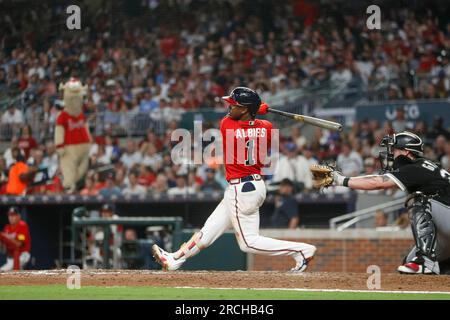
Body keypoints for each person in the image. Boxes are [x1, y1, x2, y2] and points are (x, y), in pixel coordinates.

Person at [152, 87, 316, 272]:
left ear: (245, 109)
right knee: (208, 231)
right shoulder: (267, 128)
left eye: (234, 105)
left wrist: (256, 109)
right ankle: (175, 259)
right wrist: (256, 111)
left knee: (248, 243)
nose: (229, 107)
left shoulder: (227, 125)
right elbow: (257, 124)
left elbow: (237, 120)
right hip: (253, 186)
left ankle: (302, 251)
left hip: (242, 189)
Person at [316, 131, 450, 274]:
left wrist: (340, 180)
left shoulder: (417, 167)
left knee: (420, 201)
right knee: (409, 267)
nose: (390, 154)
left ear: (406, 152)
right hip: (445, 228)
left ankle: (427, 261)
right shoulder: (423, 166)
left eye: (394, 149)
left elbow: (377, 183)